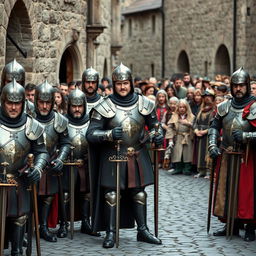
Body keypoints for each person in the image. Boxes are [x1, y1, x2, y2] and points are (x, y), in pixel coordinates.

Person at [86, 63, 163, 248]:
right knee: (111, 194)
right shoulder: (104, 106)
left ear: (131, 83)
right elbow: (90, 133)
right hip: (113, 156)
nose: (122, 87)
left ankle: (143, 230)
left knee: (139, 193)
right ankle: (111, 232)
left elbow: (155, 126)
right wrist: (108, 135)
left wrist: (156, 135)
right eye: (119, 83)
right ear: (113, 84)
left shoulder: (144, 103)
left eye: (126, 83)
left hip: (136, 153)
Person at [0, 79, 48, 256]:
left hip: (21, 179)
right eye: (10, 103)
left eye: (17, 103)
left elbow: (42, 152)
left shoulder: (32, 125)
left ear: (23, 104)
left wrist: (37, 168)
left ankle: (17, 250)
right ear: (3, 101)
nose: (13, 108)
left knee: (20, 216)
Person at [208, 67, 256, 241]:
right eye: (235, 85)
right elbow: (214, 127)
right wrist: (212, 145)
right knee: (228, 190)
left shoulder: (255, 106)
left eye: (241, 85)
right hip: (227, 154)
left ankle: (250, 227)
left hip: (248, 156)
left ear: (247, 86)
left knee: (248, 192)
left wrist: (246, 135)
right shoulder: (224, 106)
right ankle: (231, 224)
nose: (238, 89)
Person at [59, 88, 100, 237]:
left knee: (87, 194)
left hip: (85, 164)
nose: (77, 109)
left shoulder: (91, 122)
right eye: (74, 106)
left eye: (79, 106)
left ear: (84, 105)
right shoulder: (62, 121)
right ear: (69, 105)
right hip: (67, 166)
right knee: (65, 194)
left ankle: (85, 222)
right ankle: (63, 224)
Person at [34, 81, 71, 242]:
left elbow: (66, 143)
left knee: (48, 196)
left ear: (52, 102)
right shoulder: (29, 119)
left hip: (50, 164)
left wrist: (61, 158)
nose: (44, 106)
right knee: (30, 196)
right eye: (41, 102)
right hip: (32, 165)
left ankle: (43, 226)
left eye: (47, 102)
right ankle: (26, 229)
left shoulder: (60, 120)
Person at [165, 99, 195, 175]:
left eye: (184, 107)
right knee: (177, 152)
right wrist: (170, 140)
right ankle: (178, 168)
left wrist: (188, 123)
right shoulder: (174, 116)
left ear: (187, 108)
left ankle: (187, 168)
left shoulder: (191, 116)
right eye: (180, 107)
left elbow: (195, 126)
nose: (182, 109)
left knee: (187, 153)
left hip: (187, 137)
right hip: (178, 136)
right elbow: (170, 127)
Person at [193, 89, 215, 178]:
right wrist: (196, 130)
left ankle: (209, 172)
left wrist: (206, 131)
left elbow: (215, 124)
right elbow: (195, 122)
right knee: (200, 153)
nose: (207, 99)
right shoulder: (200, 109)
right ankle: (201, 171)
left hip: (208, 135)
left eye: (209, 97)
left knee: (208, 152)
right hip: (199, 135)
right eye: (205, 97)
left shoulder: (214, 110)